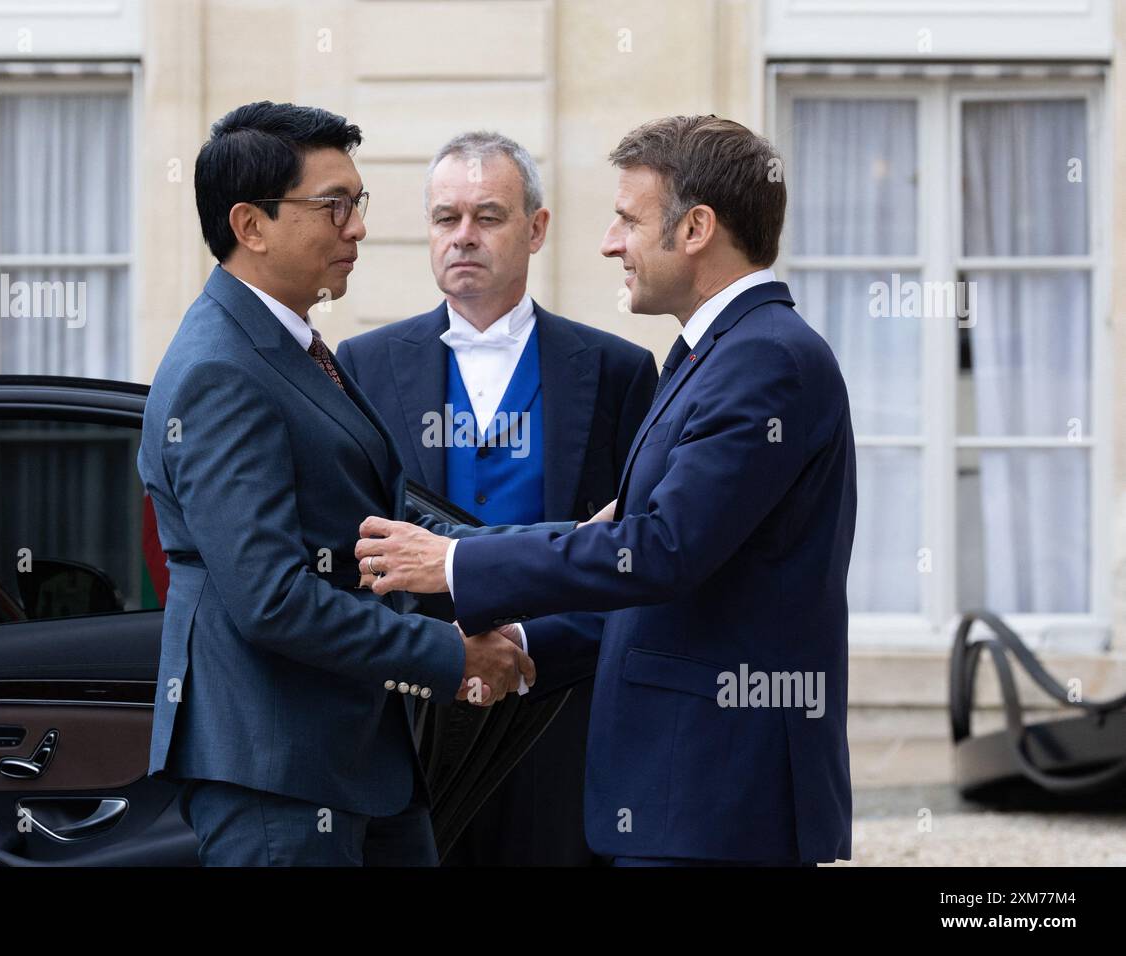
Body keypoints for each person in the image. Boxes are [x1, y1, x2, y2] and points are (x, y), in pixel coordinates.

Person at [354, 115, 857, 866]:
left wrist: (455, 563)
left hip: (716, 796)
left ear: (695, 229)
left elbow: (658, 552)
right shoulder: (711, 357)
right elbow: (648, 567)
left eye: (627, 218)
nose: (610, 242)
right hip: (679, 796)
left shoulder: (764, 362)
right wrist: (523, 643)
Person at [138, 101, 533, 866]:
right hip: (277, 772)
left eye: (359, 203)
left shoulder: (290, 344)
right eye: (335, 206)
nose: (357, 227)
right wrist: (450, 658)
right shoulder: (221, 368)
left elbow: (383, 526)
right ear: (250, 225)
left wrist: (564, 548)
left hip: (356, 764)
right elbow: (273, 600)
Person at [336, 131, 655, 866]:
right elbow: (355, 546)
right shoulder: (363, 366)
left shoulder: (618, 371)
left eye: (489, 216)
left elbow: (639, 559)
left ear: (536, 228)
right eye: (446, 218)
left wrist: (543, 649)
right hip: (415, 714)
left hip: (558, 715)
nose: (464, 237)